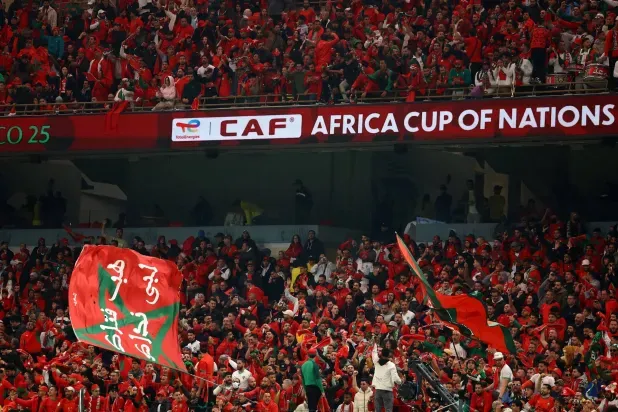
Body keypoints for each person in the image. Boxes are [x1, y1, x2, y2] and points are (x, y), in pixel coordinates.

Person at [371, 344, 401, 412]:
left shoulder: (376, 361)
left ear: (381, 354)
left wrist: (375, 345)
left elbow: (374, 353)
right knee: (388, 410)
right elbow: (395, 378)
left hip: (378, 390)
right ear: (389, 355)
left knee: (377, 410)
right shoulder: (391, 365)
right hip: (387, 391)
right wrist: (400, 382)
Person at [300, 348, 323, 412]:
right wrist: (322, 390)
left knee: (311, 407)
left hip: (308, 388)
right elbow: (318, 379)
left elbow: (303, 379)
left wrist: (305, 389)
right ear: (316, 354)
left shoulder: (303, 365)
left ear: (308, 355)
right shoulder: (315, 365)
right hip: (315, 388)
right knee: (314, 408)